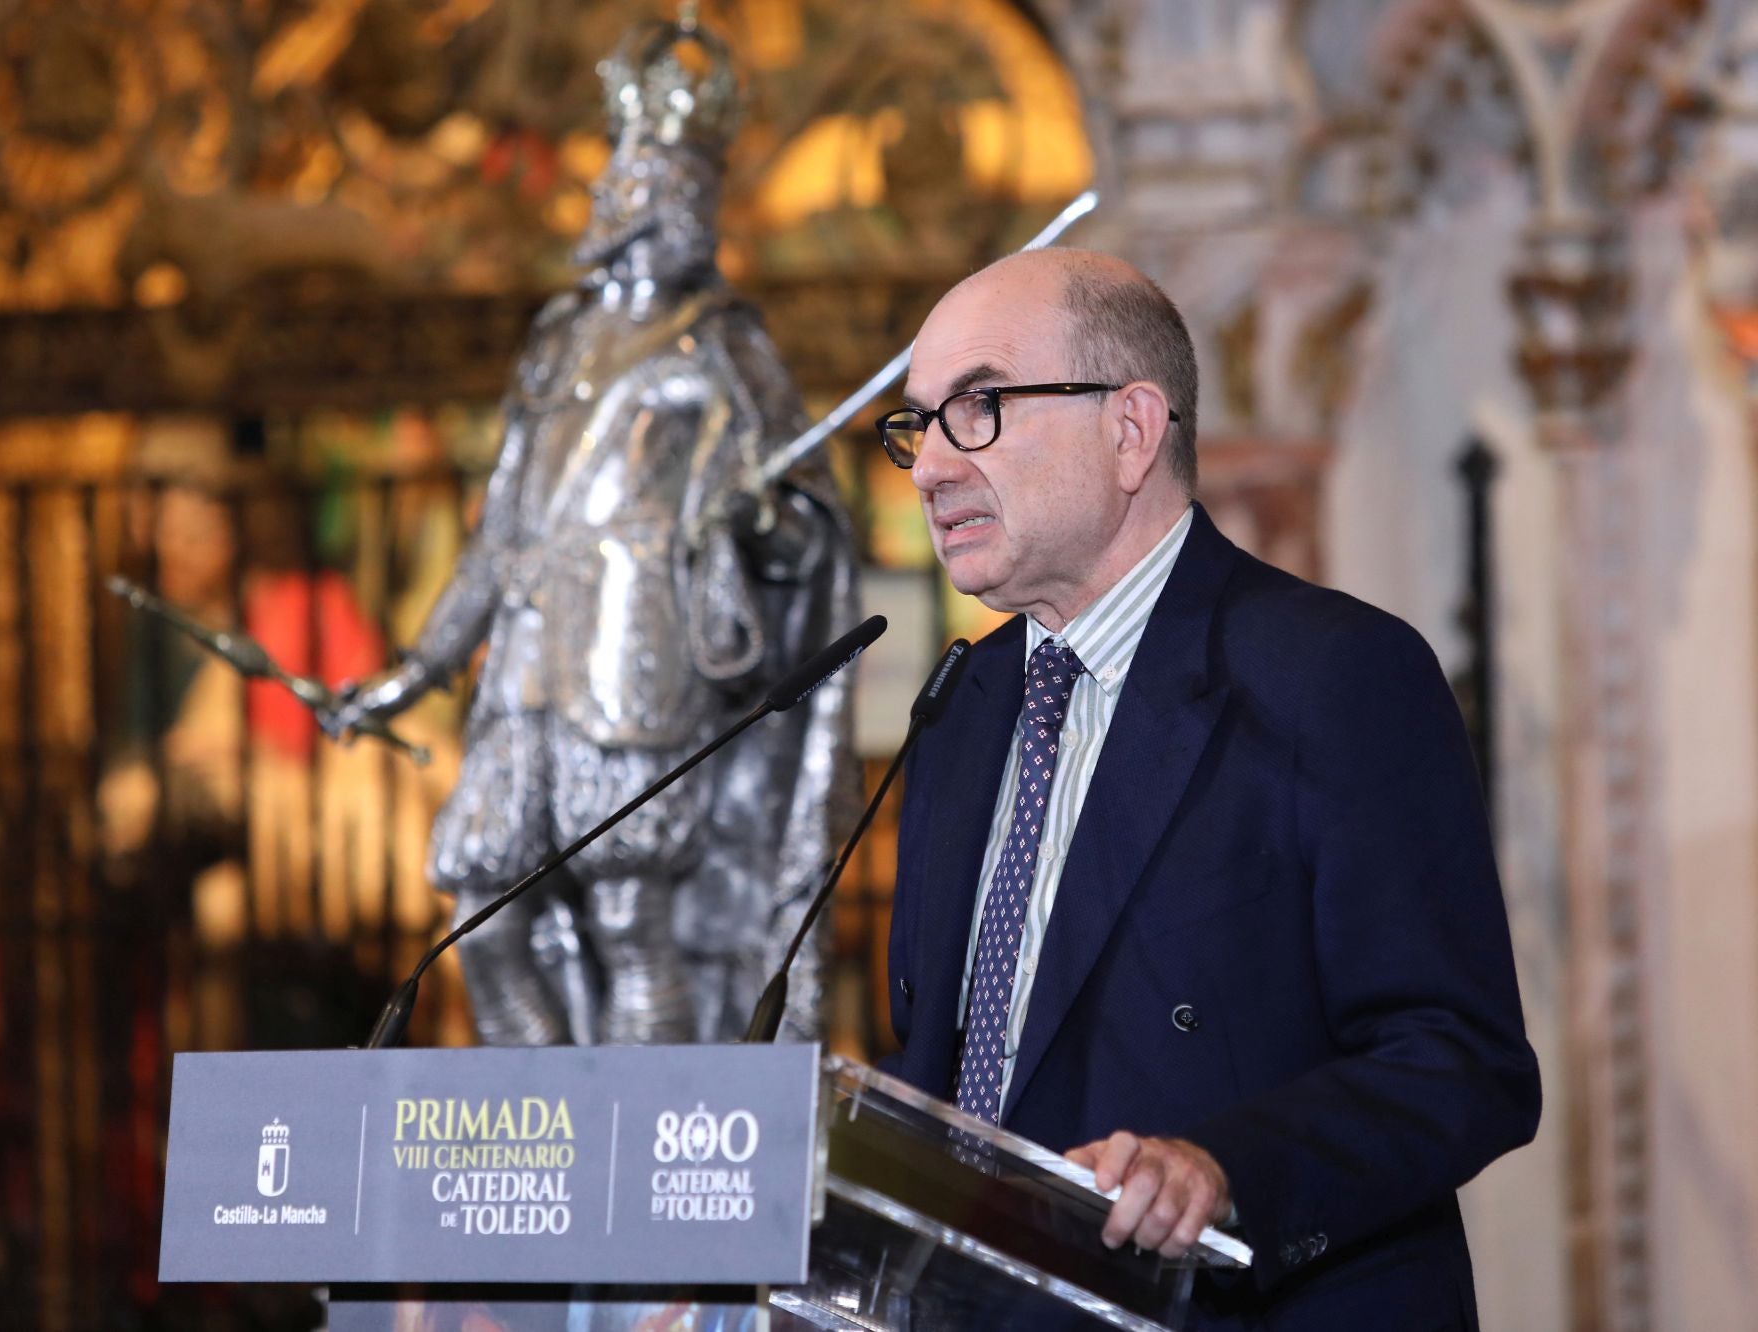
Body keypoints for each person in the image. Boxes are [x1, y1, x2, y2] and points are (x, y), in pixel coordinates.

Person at [879, 248, 1540, 1328]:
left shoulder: (1330, 676)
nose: (930, 467)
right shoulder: (963, 707)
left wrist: (1220, 1173)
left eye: (980, 407)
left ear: (1132, 429)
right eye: (918, 424)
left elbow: (1460, 1065)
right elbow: (946, 1077)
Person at [322, 19, 858, 1049]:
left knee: (627, 915)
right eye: (625, 174)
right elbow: (497, 538)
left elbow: (807, 536)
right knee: (485, 905)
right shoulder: (559, 338)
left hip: (634, 662)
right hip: (526, 665)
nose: (618, 192)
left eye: (642, 180)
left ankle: (633, 1156)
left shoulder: (724, 345)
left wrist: (759, 519)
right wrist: (411, 676)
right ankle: (547, 1123)